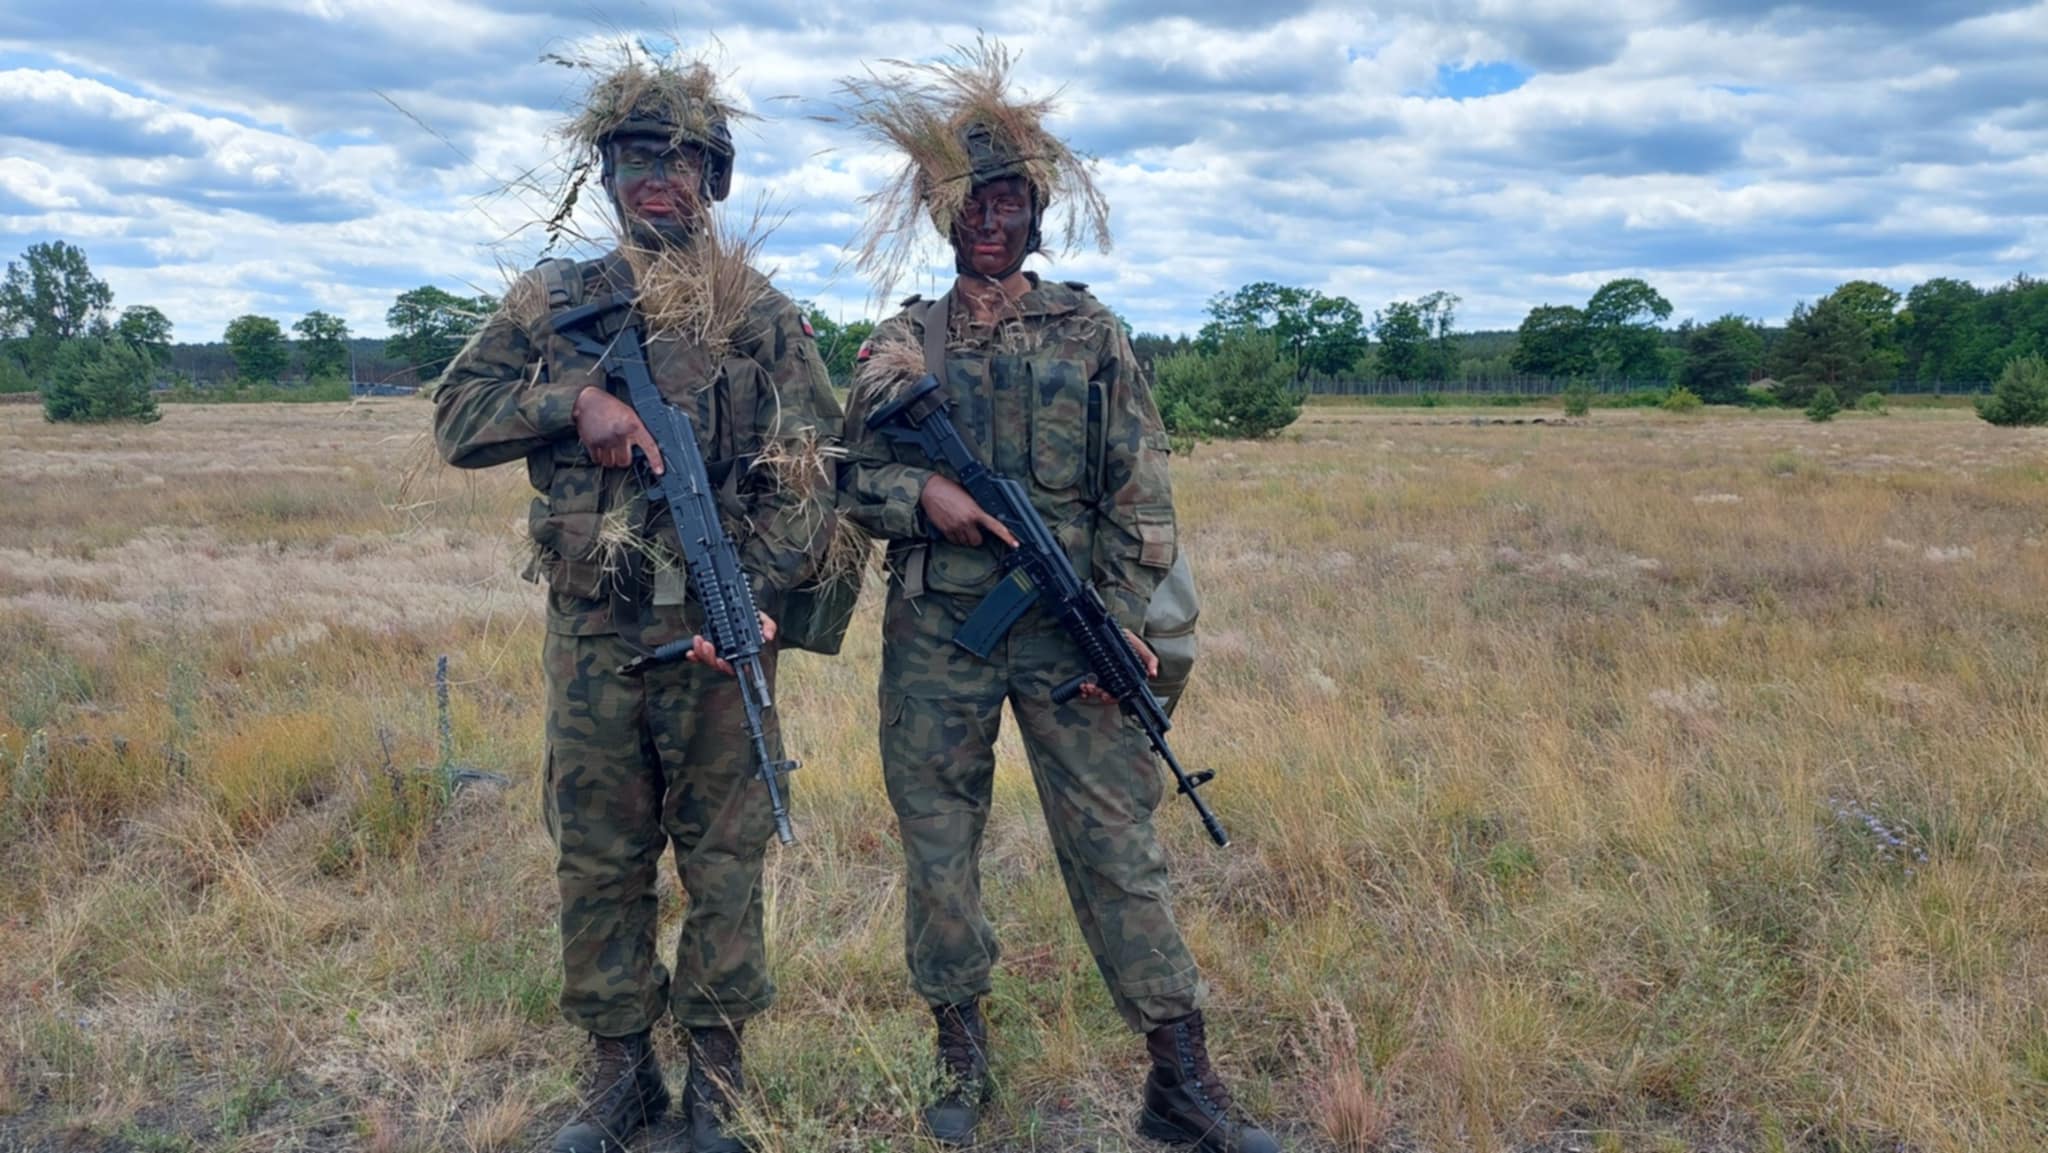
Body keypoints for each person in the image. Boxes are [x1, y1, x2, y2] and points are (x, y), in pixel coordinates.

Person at [833, 42, 1280, 1153]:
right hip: (940, 632)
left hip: (1070, 630)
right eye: (971, 202)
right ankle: (960, 1053)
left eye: (1010, 203)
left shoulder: (1092, 334)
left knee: (1117, 842)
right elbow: (844, 477)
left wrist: (1118, 619)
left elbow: (1142, 490)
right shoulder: (901, 344)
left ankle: (1180, 1078)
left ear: (1037, 217)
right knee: (940, 846)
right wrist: (923, 494)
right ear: (941, 215)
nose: (990, 220)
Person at [433, 55, 842, 1153]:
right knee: (598, 854)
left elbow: (813, 471)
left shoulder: (759, 312)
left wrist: (759, 599)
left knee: (724, 856)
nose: (658, 176)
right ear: (607, 172)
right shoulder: (555, 299)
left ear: (715, 176)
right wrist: (574, 404)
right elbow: (457, 415)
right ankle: (621, 1077)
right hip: (596, 633)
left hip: (720, 632)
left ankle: (717, 1080)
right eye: (636, 158)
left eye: (681, 159)